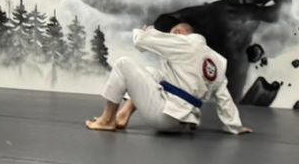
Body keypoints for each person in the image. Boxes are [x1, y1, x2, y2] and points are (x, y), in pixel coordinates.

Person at [86, 23, 250, 135]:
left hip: (165, 119)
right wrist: (236, 126)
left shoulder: (184, 42)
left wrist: (145, 31)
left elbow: (142, 41)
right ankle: (123, 114)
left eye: (171, 34)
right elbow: (224, 99)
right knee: (153, 73)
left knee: (123, 64)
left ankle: (107, 120)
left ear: (178, 33)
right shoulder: (216, 62)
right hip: (185, 124)